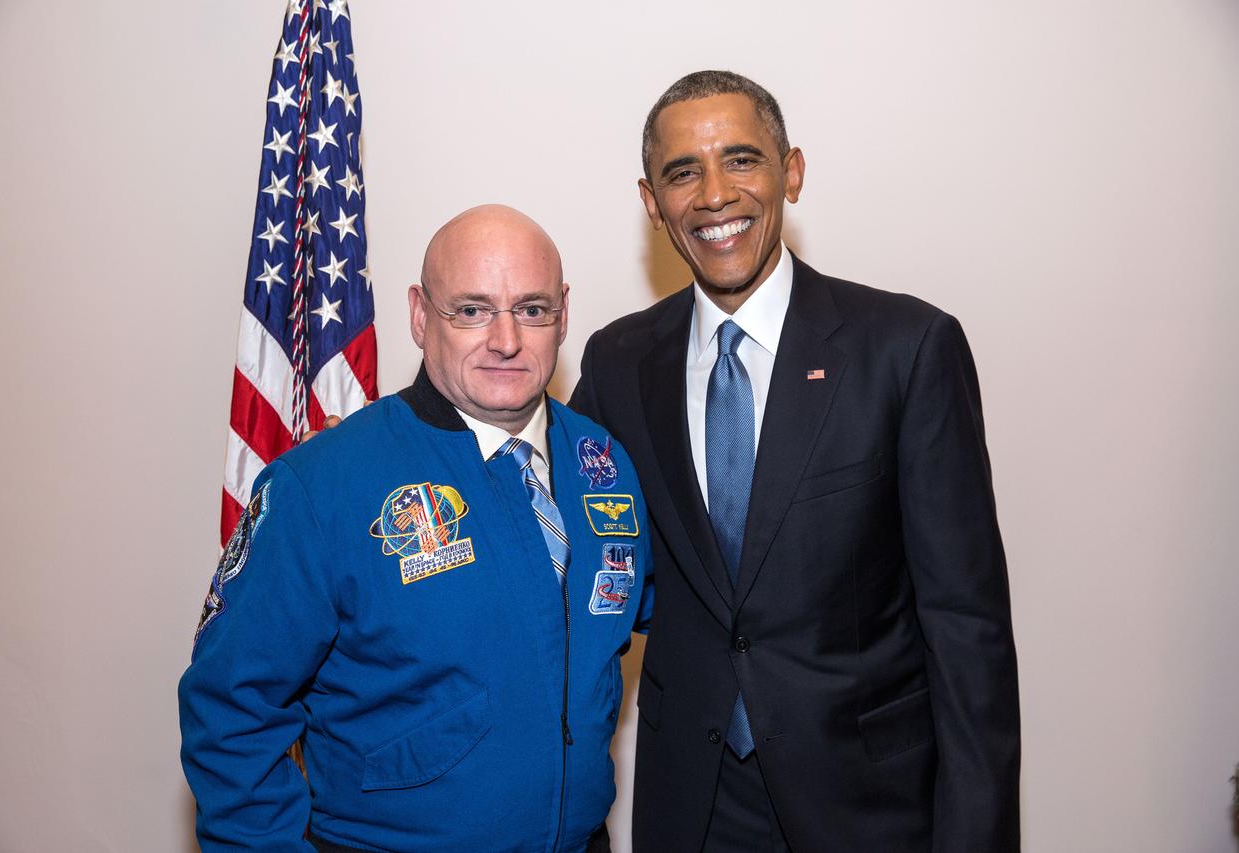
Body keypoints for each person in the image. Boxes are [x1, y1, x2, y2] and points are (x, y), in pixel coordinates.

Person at [570, 71, 1020, 852]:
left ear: (793, 173)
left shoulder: (906, 349)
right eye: (683, 172)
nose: (715, 194)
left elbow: (965, 626)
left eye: (742, 160)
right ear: (653, 203)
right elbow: (569, 554)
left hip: (870, 806)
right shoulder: (617, 363)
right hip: (692, 808)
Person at [180, 205, 652, 852]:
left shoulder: (605, 465)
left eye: (533, 309)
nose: (506, 339)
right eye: (472, 310)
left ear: (564, 314)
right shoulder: (323, 485)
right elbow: (231, 710)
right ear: (420, 316)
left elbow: (673, 617)